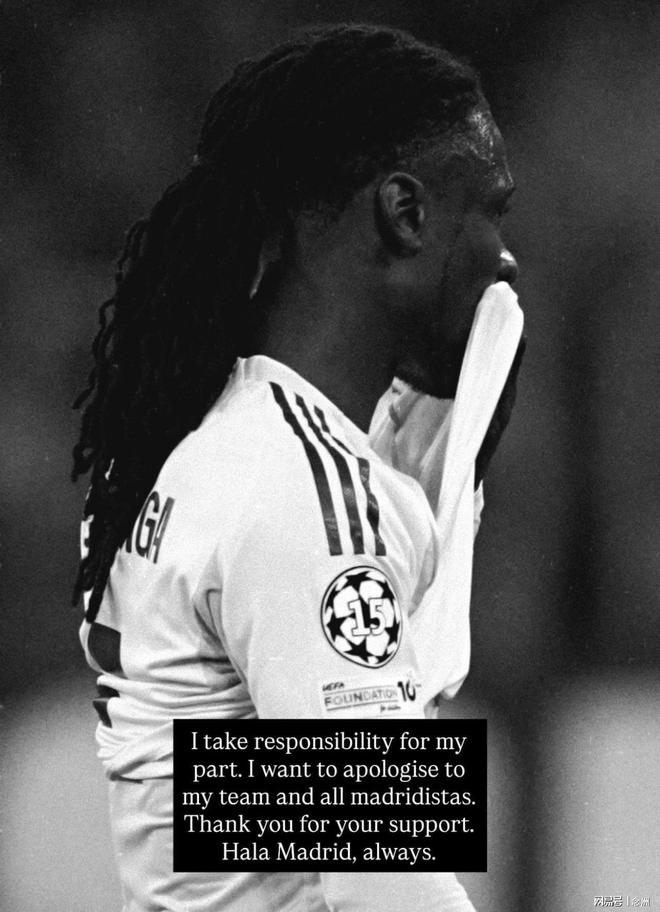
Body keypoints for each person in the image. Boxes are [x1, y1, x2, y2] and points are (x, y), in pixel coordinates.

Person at [72, 22, 522, 912]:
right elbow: (384, 880)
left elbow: (219, 798)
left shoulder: (191, 437)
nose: (505, 259)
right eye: (492, 213)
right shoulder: (303, 490)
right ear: (405, 213)